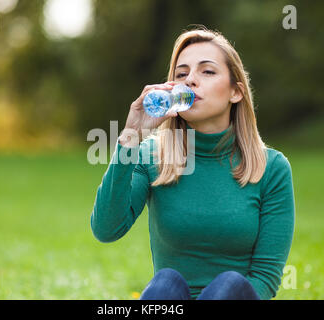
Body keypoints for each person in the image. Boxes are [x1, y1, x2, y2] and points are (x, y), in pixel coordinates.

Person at [90, 26, 295, 300]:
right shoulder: (152, 157)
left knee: (229, 285)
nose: (191, 81)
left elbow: (265, 277)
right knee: (165, 282)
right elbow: (106, 229)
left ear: (236, 92)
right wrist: (130, 139)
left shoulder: (273, 168)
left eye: (207, 71)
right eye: (181, 74)